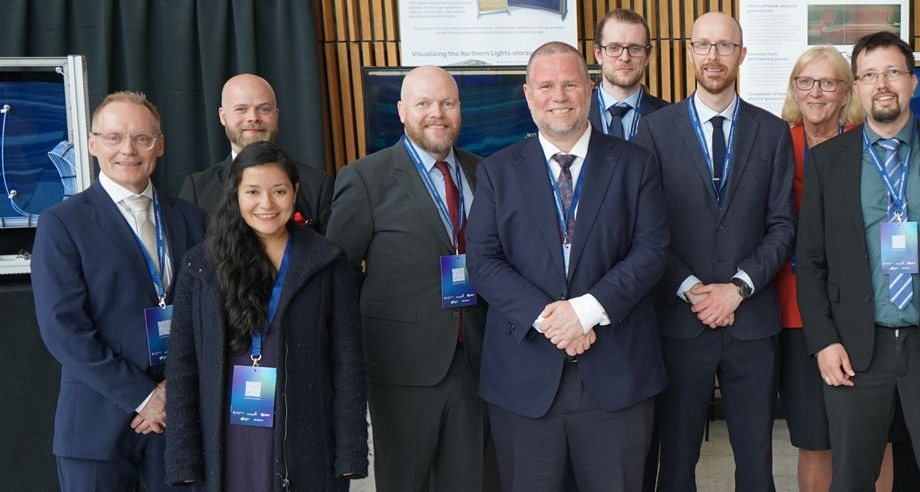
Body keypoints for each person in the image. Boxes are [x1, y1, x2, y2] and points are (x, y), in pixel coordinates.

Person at [797, 31, 920, 492]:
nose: (881, 83)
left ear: (912, 81)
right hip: (854, 350)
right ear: (856, 87)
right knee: (850, 479)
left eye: (892, 72)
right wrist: (824, 341)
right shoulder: (829, 161)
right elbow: (809, 261)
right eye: (869, 74)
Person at [467, 41, 669, 492]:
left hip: (617, 378)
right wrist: (552, 319)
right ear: (527, 94)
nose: (558, 96)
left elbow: (652, 250)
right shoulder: (497, 172)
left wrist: (586, 311)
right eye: (546, 85)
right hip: (524, 382)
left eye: (570, 84)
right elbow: (483, 261)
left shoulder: (635, 165)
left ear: (590, 89)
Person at [634, 11, 796, 492]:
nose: (713, 56)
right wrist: (691, 289)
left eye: (725, 46)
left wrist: (738, 288)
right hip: (680, 322)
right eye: (703, 45)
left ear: (742, 55)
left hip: (752, 321)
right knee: (676, 460)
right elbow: (647, 230)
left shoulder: (771, 132)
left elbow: (783, 225)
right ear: (688, 53)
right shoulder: (656, 131)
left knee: (756, 461)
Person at [165, 142, 368, 490]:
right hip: (226, 436)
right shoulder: (200, 267)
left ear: (295, 192)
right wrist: (184, 457)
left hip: (305, 436)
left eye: (279, 191)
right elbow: (183, 367)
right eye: (253, 192)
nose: (267, 204)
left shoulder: (327, 262)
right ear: (235, 195)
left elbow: (347, 363)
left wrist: (349, 452)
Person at [33, 91, 208, 492]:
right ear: (93, 144)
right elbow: (64, 330)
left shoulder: (193, 219)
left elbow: (209, 318)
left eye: (142, 138)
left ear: (159, 145)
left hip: (178, 424)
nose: (128, 149)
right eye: (114, 138)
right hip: (95, 426)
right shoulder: (62, 223)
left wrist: (171, 394)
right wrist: (145, 396)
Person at [327, 65, 488, 492]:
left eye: (448, 103)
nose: (437, 113)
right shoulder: (365, 178)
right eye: (424, 103)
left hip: (476, 359)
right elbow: (338, 277)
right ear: (401, 111)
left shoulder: (485, 173)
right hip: (401, 367)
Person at [772, 45, 896, 492]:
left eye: (828, 82)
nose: (817, 92)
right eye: (806, 81)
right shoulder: (775, 144)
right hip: (799, 313)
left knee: (874, 438)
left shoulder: (875, 143)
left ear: (848, 91)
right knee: (815, 438)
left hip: (868, 310)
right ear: (794, 89)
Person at [179, 74, 333, 233]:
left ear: (276, 115)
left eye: (264, 109)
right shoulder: (197, 189)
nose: (253, 117)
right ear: (223, 116)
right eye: (241, 109)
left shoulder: (317, 184)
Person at [590, 8, 670, 140]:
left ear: (647, 55)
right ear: (598, 54)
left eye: (635, 48)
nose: (625, 57)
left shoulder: (669, 118)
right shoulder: (575, 115)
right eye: (614, 48)